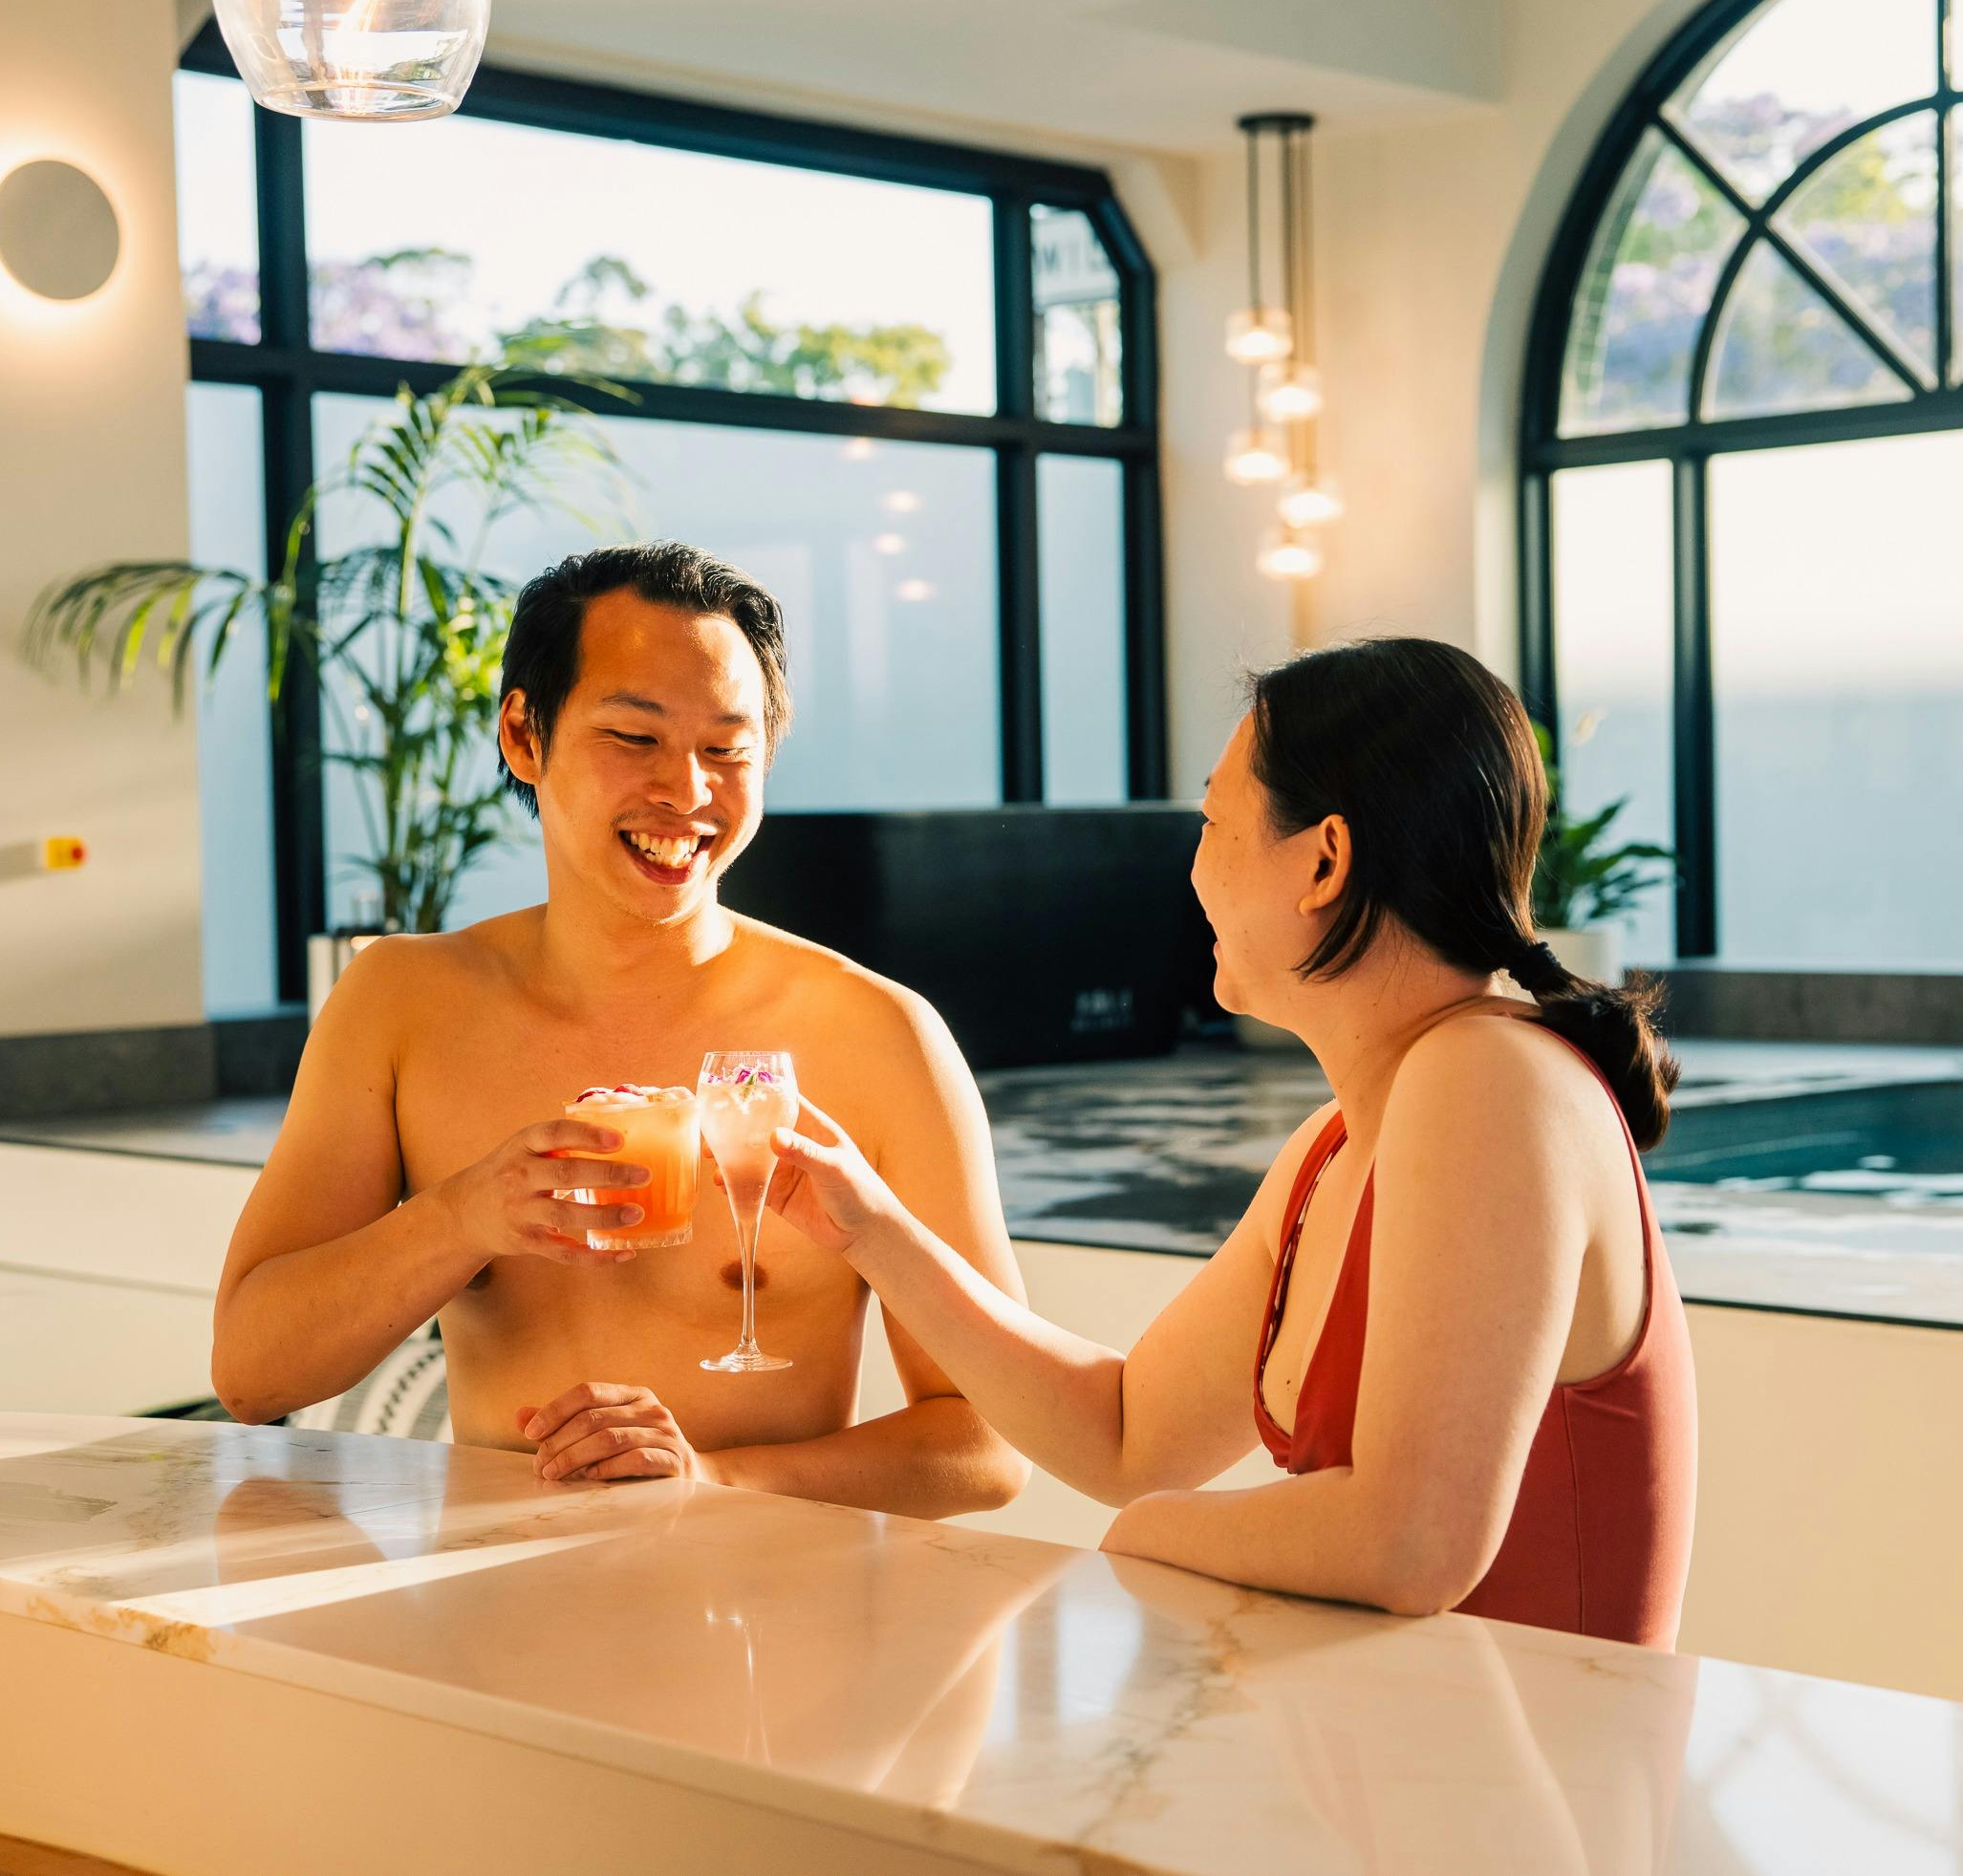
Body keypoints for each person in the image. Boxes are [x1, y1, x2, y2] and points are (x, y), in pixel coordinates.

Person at [765, 636, 1696, 1638]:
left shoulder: (1492, 1083)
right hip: (1414, 1766)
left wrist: (1152, 1535)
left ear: (1324, 861)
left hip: (1539, 1783)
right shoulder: (1334, 1150)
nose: (1196, 869)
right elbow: (1125, 1436)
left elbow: (1410, 1544)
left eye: (1214, 822)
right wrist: (868, 1227)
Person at [209, 542, 1030, 1521]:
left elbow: (990, 1442)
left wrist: (720, 1478)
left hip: (766, 1631)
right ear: (523, 734)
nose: (687, 793)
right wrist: (463, 1217)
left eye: (728, 749)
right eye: (635, 739)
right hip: (493, 1624)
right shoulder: (402, 1003)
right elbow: (252, 1376)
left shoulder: (875, 1034)